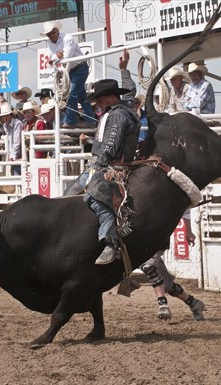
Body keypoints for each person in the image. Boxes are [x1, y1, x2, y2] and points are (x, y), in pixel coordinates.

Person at [83, 79, 139, 265]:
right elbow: (130, 92)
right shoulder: (122, 110)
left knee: (95, 196)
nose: (96, 103)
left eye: (99, 99)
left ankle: (111, 242)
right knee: (71, 195)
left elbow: (110, 146)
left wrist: (98, 166)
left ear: (110, 97)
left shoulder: (118, 115)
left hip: (113, 167)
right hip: (106, 163)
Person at [41, 21, 96, 128]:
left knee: (72, 94)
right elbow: (52, 58)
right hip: (70, 70)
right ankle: (90, 120)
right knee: (80, 95)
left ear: (57, 31)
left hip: (79, 67)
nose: (51, 36)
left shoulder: (68, 38)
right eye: (49, 34)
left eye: (52, 33)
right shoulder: (51, 43)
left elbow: (66, 58)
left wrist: (55, 57)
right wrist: (57, 56)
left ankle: (71, 121)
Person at [0, 103, 23, 175]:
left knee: (18, 177)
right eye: (3, 116)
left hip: (19, 155)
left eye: (7, 115)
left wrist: (12, 156)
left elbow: (17, 142)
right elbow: (10, 142)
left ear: (11, 115)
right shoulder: (5, 126)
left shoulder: (17, 123)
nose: (5, 118)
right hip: (14, 156)